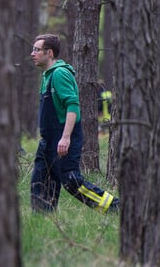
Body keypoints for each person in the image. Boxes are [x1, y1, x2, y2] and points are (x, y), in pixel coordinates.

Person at [30, 34, 119, 213]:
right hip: (48, 139)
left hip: (63, 137)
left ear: (49, 53)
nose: (32, 53)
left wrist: (65, 138)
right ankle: (43, 218)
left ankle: (114, 207)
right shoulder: (47, 75)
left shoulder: (59, 74)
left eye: (37, 50)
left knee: (71, 181)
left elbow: (73, 106)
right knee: (41, 178)